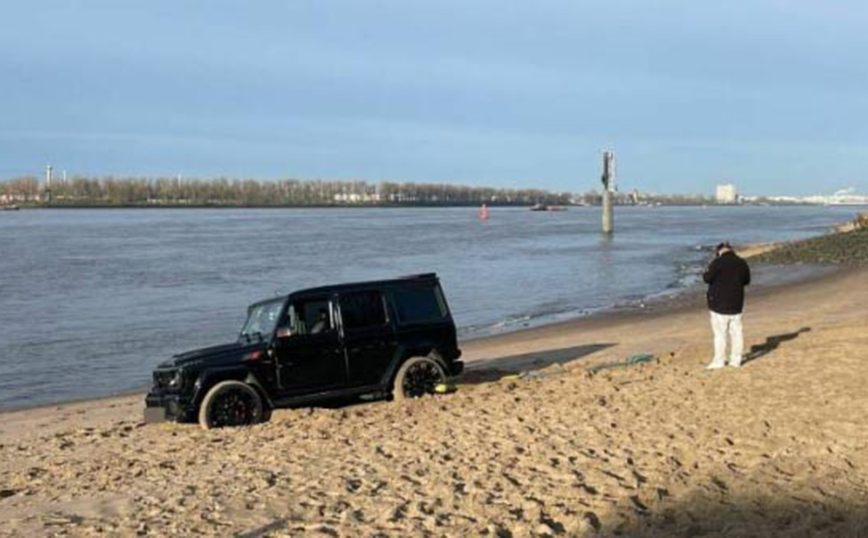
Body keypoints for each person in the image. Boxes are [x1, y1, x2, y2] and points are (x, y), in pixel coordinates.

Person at [703, 242, 751, 369]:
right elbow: (746, 280)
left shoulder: (717, 263)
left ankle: (719, 360)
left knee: (720, 334)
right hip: (736, 303)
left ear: (719, 251)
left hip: (719, 304)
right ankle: (736, 360)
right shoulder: (741, 262)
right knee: (736, 333)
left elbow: (706, 278)